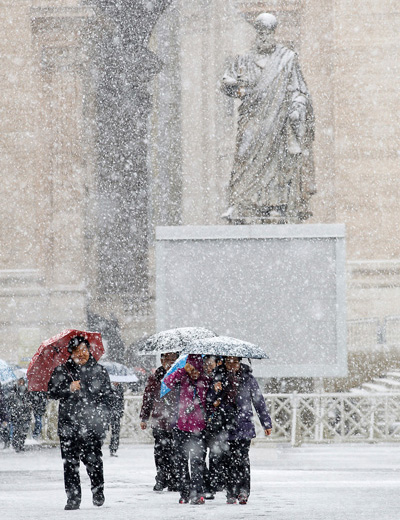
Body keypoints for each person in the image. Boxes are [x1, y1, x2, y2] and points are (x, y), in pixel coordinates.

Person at [221, 13, 315, 223]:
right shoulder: (243, 59)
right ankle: (243, 202)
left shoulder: (287, 59)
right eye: (261, 32)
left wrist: (297, 108)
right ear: (256, 33)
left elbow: (299, 90)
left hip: (277, 121)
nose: (264, 37)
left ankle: (275, 204)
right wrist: (233, 86)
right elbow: (229, 85)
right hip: (251, 121)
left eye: (268, 32)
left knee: (276, 162)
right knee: (244, 156)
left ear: (274, 33)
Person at [48, 335, 113, 510]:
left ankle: (98, 490)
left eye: (84, 350)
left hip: (92, 426)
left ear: (89, 351)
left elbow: (108, 398)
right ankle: (73, 499)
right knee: (70, 464)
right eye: (77, 351)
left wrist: (103, 418)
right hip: (68, 426)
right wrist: (68, 388)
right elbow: (52, 392)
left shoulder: (99, 370)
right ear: (71, 353)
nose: (81, 354)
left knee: (94, 462)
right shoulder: (62, 370)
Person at [219, 356, 272, 504]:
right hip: (225, 426)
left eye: (234, 361)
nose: (231, 365)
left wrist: (266, 423)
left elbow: (258, 401)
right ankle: (231, 491)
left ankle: (243, 491)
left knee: (242, 459)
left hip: (243, 426)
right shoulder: (219, 377)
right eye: (228, 362)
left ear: (240, 362)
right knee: (228, 461)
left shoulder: (248, 378)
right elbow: (211, 400)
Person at [163, 354, 211, 505]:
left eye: (198, 369)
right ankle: (184, 492)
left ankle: (197, 492)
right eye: (192, 369)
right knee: (181, 462)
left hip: (199, 427)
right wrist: (182, 371)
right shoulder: (181, 378)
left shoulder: (206, 380)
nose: (195, 372)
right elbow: (167, 382)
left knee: (197, 462)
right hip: (181, 426)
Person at [140, 351, 180, 492]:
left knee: (176, 451)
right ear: (161, 360)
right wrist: (144, 417)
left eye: (172, 359)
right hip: (159, 420)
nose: (168, 362)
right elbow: (148, 397)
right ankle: (162, 478)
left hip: (177, 420)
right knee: (160, 452)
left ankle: (175, 479)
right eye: (166, 358)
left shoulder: (180, 376)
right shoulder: (156, 377)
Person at [8, 377, 32, 452]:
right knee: (17, 430)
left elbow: (30, 401)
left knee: (24, 431)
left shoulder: (27, 392)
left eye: (22, 382)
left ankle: (21, 444)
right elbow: (10, 402)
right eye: (20, 381)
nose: (21, 383)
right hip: (16, 414)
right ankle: (16, 444)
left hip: (25, 414)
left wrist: (28, 406)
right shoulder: (13, 392)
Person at [109, 381, 125, 457]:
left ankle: (113, 449)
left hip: (116, 413)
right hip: (108, 412)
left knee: (116, 431)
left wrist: (121, 410)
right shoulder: (107, 387)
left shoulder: (120, 388)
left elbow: (121, 400)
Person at [0, 382, 10, 449]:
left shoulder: (1, 395)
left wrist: (5, 419)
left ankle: (6, 441)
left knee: (3, 429)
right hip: (2, 413)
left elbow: (3, 407)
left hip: (2, 414)